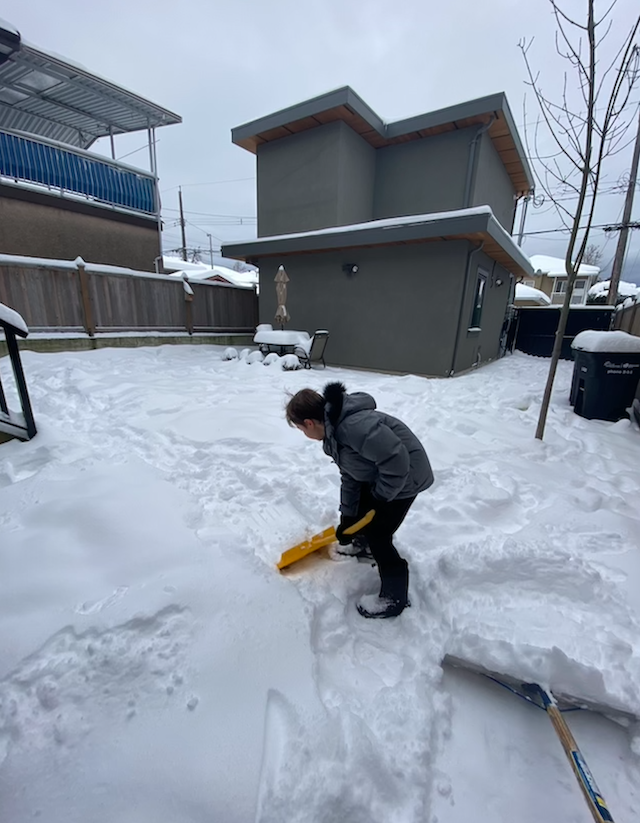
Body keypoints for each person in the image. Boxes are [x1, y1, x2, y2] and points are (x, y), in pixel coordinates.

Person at [285, 381, 434, 619]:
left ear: (310, 423)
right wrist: (349, 517)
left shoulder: (353, 427)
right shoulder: (333, 434)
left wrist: (381, 500)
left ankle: (394, 597)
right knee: (364, 509)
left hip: (406, 478)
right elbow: (352, 476)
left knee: (379, 533)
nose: (305, 435)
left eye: (302, 429)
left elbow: (397, 462)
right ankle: (362, 545)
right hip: (384, 475)